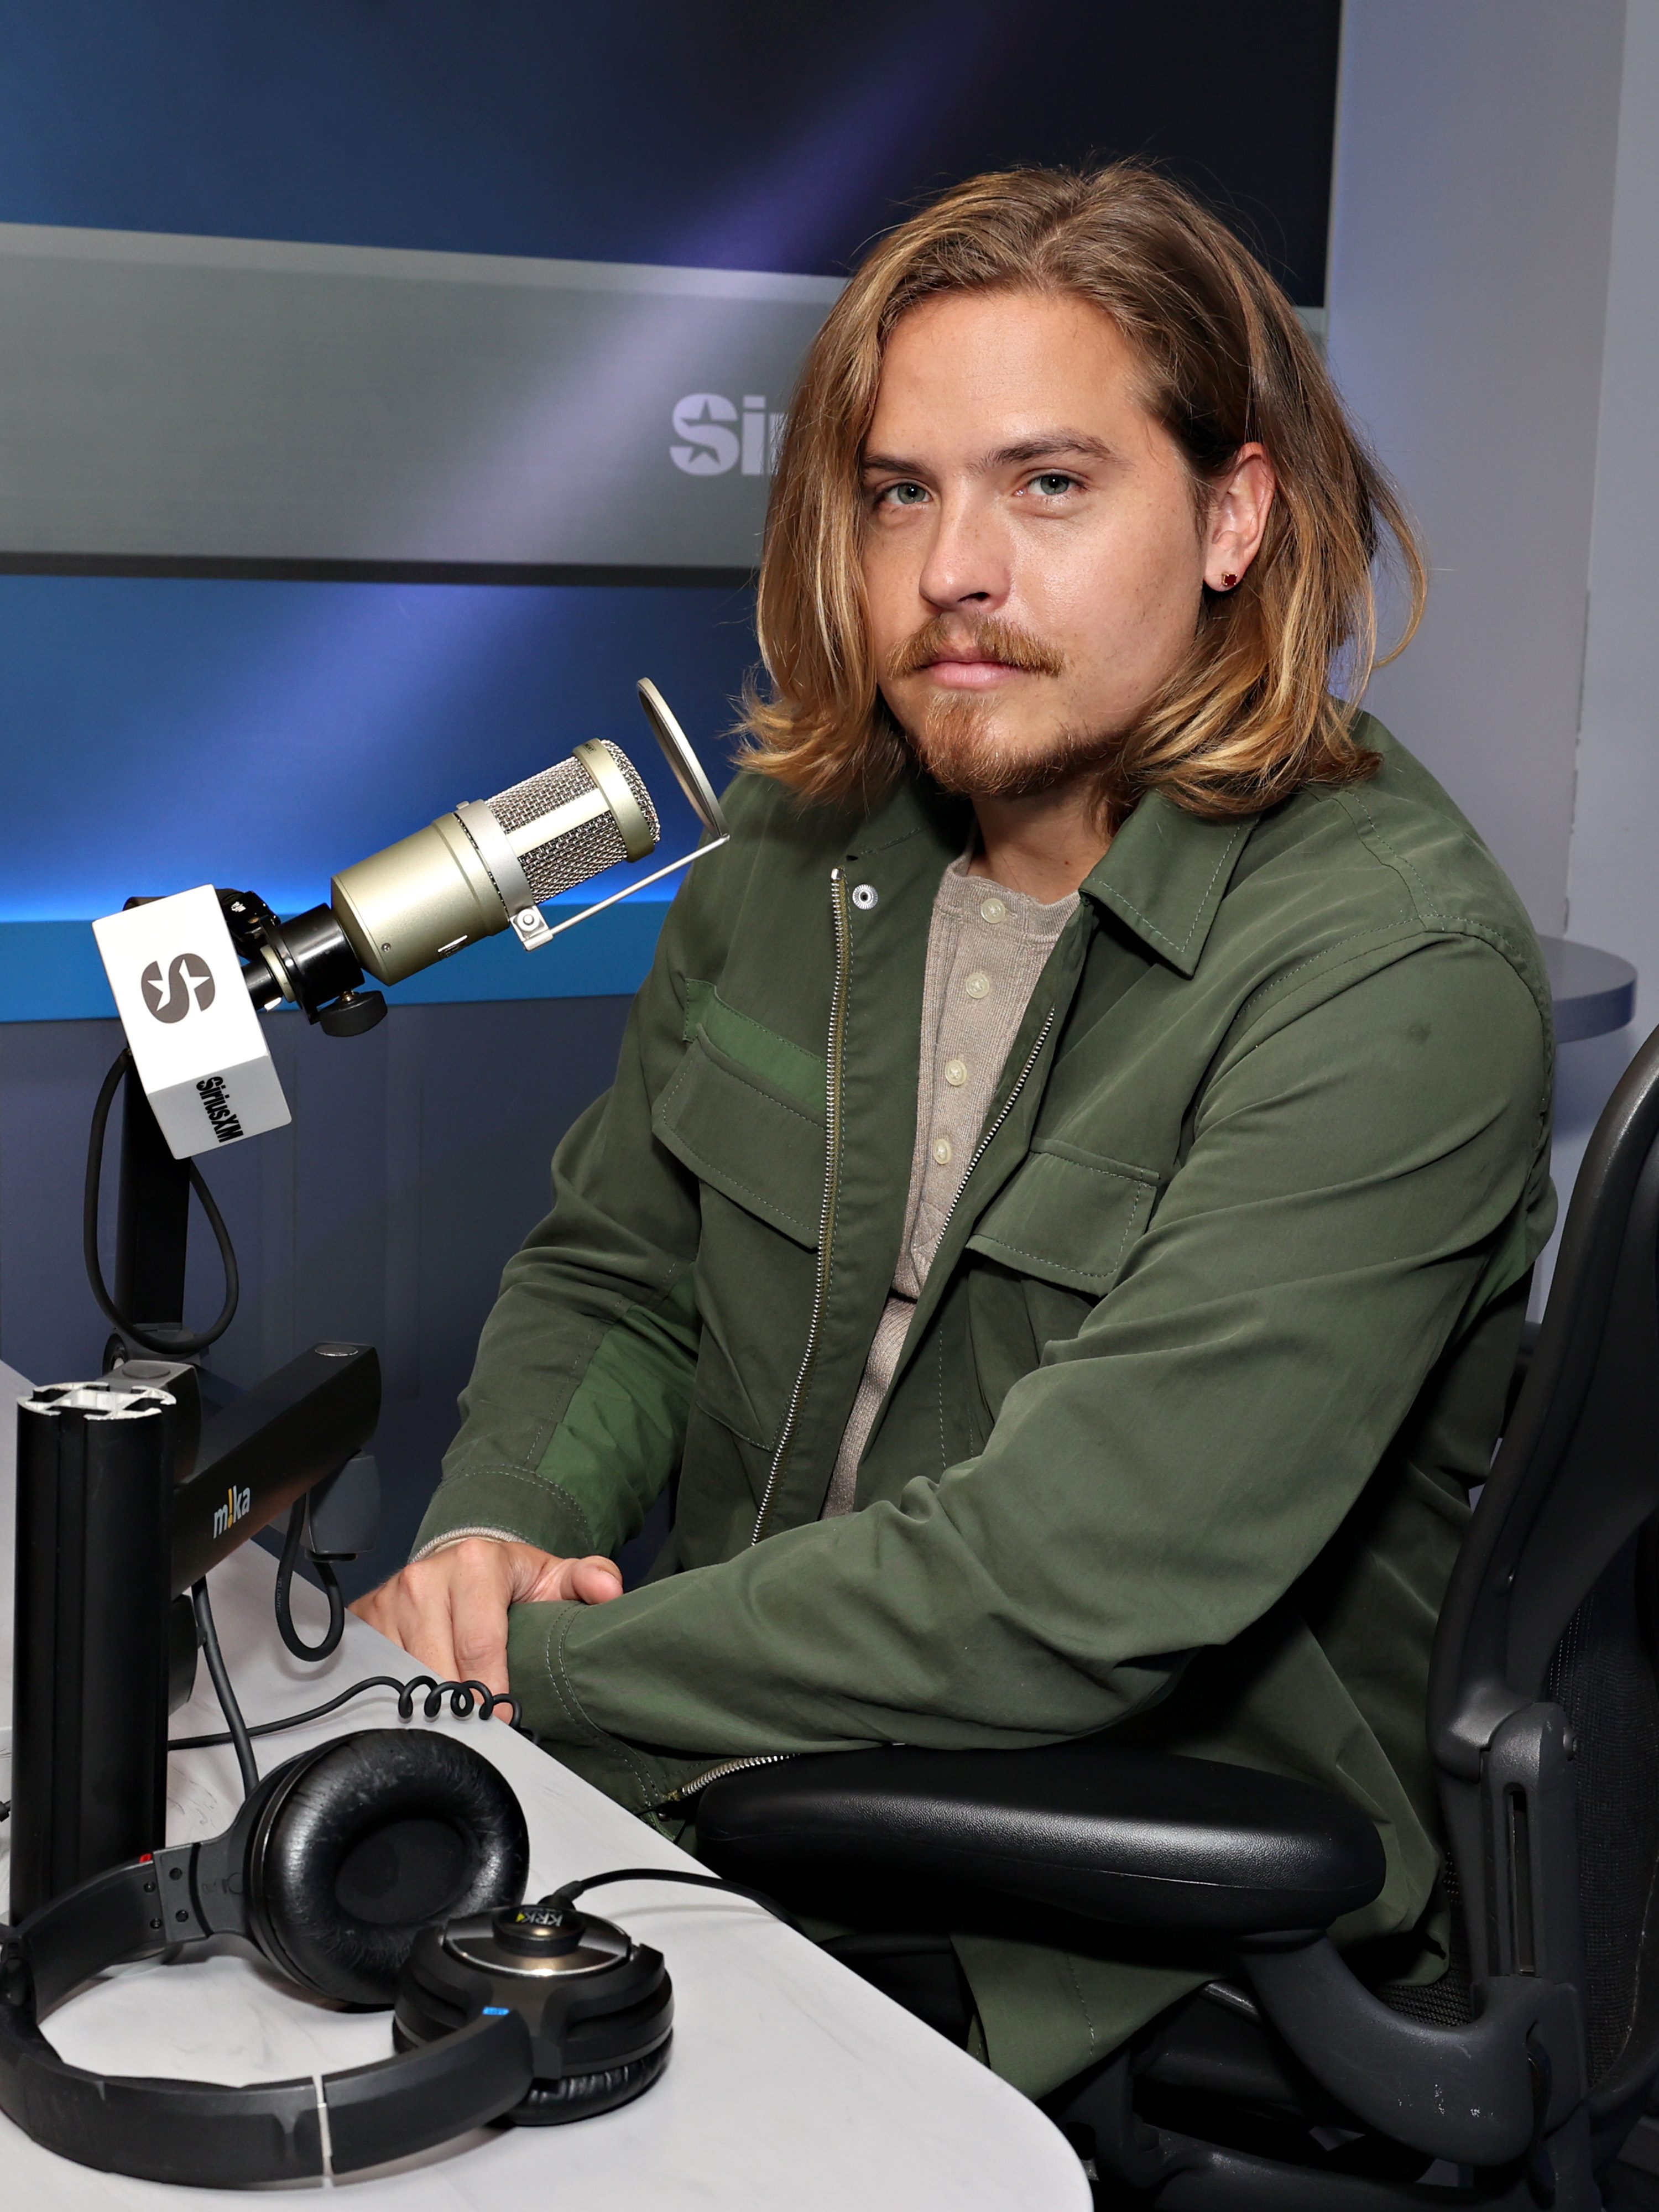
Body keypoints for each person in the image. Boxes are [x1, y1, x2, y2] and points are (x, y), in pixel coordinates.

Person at [354, 164, 1553, 2099]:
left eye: (1049, 485)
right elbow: (620, 1273)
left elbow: (1076, 1580)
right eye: (902, 491)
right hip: (722, 1794)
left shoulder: (1392, 974)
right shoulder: (800, 850)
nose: (949, 571)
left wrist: (539, 1676)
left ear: (1235, 514)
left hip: (1077, 1918)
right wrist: (501, 1539)